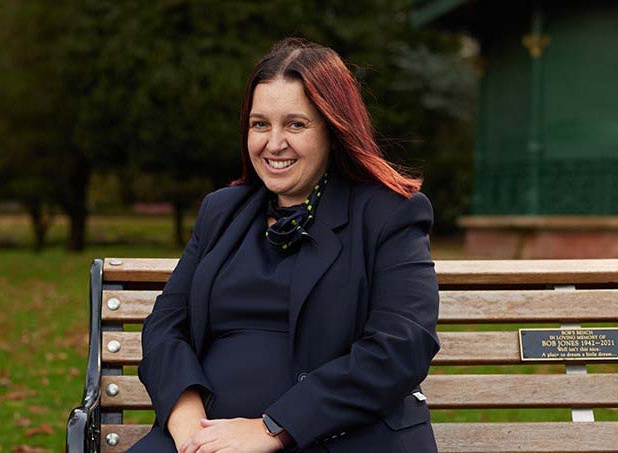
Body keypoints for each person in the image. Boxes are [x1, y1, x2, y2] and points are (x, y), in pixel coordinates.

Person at [128, 37, 440, 453]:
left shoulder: (389, 213)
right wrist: (188, 423)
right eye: (260, 124)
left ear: (334, 128)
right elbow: (166, 325)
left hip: (339, 437)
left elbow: (401, 346)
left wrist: (272, 428)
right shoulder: (222, 212)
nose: (274, 144)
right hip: (206, 438)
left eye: (295, 124)